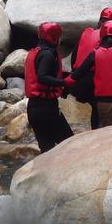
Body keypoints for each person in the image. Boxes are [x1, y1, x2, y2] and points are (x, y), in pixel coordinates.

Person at [24, 22, 75, 153]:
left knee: (47, 149)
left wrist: (63, 77)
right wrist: (65, 83)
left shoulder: (36, 52)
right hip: (46, 108)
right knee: (69, 145)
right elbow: (42, 77)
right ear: (54, 37)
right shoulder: (48, 54)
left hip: (34, 108)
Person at [70, 7, 112, 129]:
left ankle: (96, 132)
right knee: (102, 108)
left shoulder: (87, 33)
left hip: (77, 82)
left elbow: (74, 57)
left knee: (96, 106)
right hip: (94, 81)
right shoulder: (109, 38)